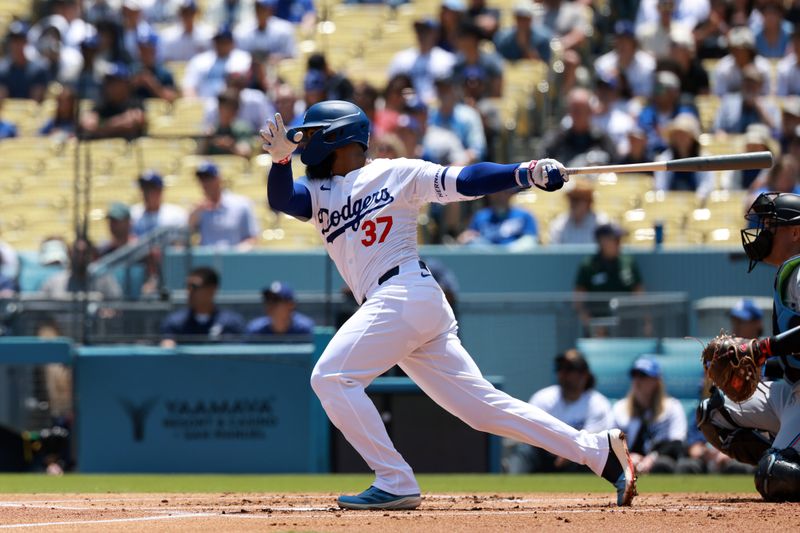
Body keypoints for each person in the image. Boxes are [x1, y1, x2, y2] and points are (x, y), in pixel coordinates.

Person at [261, 100, 636, 509]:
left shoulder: (395, 172)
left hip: (402, 293)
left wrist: (524, 173)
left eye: (311, 134)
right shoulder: (319, 193)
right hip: (404, 305)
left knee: (331, 378)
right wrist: (281, 160)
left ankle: (394, 479)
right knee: (482, 410)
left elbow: (467, 180)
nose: (303, 142)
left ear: (337, 136)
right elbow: (283, 199)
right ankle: (599, 452)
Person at [697, 192, 800, 501]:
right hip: (791, 391)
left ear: (796, 232)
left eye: (771, 225)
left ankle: (785, 456)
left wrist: (760, 349)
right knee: (714, 413)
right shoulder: (790, 270)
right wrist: (761, 364)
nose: (762, 231)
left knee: (775, 474)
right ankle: (787, 448)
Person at [506, 350, 614, 473]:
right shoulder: (543, 398)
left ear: (584, 375)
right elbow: (529, 432)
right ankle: (511, 487)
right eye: (560, 368)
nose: (563, 373)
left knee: (594, 457)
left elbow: (594, 442)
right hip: (546, 453)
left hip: (579, 459)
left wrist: (570, 451)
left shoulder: (597, 403)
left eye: (569, 369)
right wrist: (557, 447)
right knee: (525, 451)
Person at [612, 356, 688, 474]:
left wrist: (652, 458)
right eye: (634, 375)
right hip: (629, 462)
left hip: (660, 461)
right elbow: (610, 443)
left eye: (643, 376)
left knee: (664, 464)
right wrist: (627, 456)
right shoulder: (620, 408)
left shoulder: (672, 407)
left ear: (656, 381)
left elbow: (677, 442)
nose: (637, 381)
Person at [574, 223, 643, 335]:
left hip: (626, 327)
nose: (618, 243)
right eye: (614, 239)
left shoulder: (628, 262)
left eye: (619, 240)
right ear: (602, 241)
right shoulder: (589, 265)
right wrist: (592, 326)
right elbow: (578, 302)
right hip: (597, 329)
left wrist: (645, 322)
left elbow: (640, 295)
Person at [160, 266, 245, 347]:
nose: (189, 292)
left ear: (212, 289)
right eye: (187, 287)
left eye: (194, 287)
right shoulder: (175, 322)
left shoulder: (231, 323)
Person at [539, 88, 619, 168]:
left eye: (581, 110)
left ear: (590, 111)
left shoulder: (602, 140)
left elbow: (616, 166)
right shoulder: (556, 140)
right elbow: (542, 166)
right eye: (574, 110)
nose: (577, 115)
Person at [189, 161, 259, 249]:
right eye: (201, 179)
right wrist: (194, 215)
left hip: (234, 259)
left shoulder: (241, 204)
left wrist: (238, 252)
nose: (205, 183)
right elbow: (185, 237)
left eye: (208, 178)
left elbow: (252, 237)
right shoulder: (198, 209)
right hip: (206, 260)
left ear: (219, 179)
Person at [387, 18, 456, 105]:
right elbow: (392, 87)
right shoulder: (401, 59)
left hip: (437, 107)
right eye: (419, 31)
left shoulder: (447, 60)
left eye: (426, 31)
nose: (422, 34)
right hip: (409, 109)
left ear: (436, 33)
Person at [40, 235, 122, 300]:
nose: (80, 258)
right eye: (77, 253)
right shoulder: (54, 282)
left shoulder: (105, 280)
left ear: (91, 256)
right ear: (70, 254)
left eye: (84, 253)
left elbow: (117, 305)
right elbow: (40, 310)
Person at [79, 63, 146, 140]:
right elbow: (87, 125)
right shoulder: (102, 104)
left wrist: (101, 127)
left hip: (130, 150)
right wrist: (116, 124)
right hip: (103, 149)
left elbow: (133, 122)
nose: (109, 86)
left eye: (114, 81)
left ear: (126, 84)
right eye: (108, 81)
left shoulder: (135, 102)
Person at [182, 25, 251, 98]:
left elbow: (244, 84)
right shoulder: (199, 60)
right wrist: (194, 104)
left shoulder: (243, 58)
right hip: (205, 103)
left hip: (233, 104)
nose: (222, 45)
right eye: (219, 41)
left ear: (232, 43)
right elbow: (189, 86)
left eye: (225, 41)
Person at [654, 113, 714, 195]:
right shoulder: (665, 159)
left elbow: (706, 186)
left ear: (692, 137)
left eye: (684, 135)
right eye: (677, 135)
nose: (680, 138)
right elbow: (661, 187)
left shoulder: (705, 159)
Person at [595, 20, 656, 98]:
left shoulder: (648, 64)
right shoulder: (603, 64)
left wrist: (625, 87)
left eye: (625, 41)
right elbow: (599, 96)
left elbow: (647, 97)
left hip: (637, 107)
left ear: (634, 43)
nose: (621, 45)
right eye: (618, 40)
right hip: (610, 107)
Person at [713, 64, 779, 135]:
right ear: (741, 83)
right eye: (746, 82)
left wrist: (760, 109)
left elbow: (775, 131)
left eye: (753, 83)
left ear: (760, 85)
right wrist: (721, 134)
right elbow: (717, 127)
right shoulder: (728, 102)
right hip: (733, 144)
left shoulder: (769, 105)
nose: (749, 86)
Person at [458, 189, 538, 247]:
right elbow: (469, 237)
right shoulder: (481, 216)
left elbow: (530, 240)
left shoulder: (524, 215)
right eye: (496, 192)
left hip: (516, 259)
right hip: (487, 259)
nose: (500, 196)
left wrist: (510, 249)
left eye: (505, 192)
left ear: (511, 193)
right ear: (490, 194)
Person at [711, 26, 772, 96]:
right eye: (732, 48)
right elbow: (720, 96)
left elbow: (767, 96)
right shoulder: (723, 68)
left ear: (749, 50)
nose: (735, 52)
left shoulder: (763, 67)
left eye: (739, 48)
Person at [0, 22, 49, 102]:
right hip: (7, 113)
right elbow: (2, 100)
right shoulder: (2, 69)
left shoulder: (39, 69)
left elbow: (35, 102)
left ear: (26, 42)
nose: (17, 45)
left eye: (20, 40)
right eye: (14, 41)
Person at [549, 181, 610, 245]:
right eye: (571, 199)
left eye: (577, 199)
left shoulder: (601, 223)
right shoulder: (559, 224)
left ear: (588, 202)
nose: (573, 203)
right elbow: (555, 251)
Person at [245, 281, 315, 337]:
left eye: (275, 300)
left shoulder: (306, 330)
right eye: (267, 300)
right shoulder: (256, 331)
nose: (270, 304)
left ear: (290, 305)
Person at [130, 171, 188, 237]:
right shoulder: (133, 214)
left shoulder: (176, 214)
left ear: (160, 191)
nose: (147, 193)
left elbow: (180, 243)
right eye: (144, 188)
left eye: (151, 189)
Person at [198, 89, 254, 157]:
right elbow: (198, 154)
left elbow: (246, 152)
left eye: (229, 109)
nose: (225, 112)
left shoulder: (242, 128)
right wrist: (206, 140)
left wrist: (231, 146)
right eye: (222, 107)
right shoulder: (211, 129)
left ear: (235, 111)